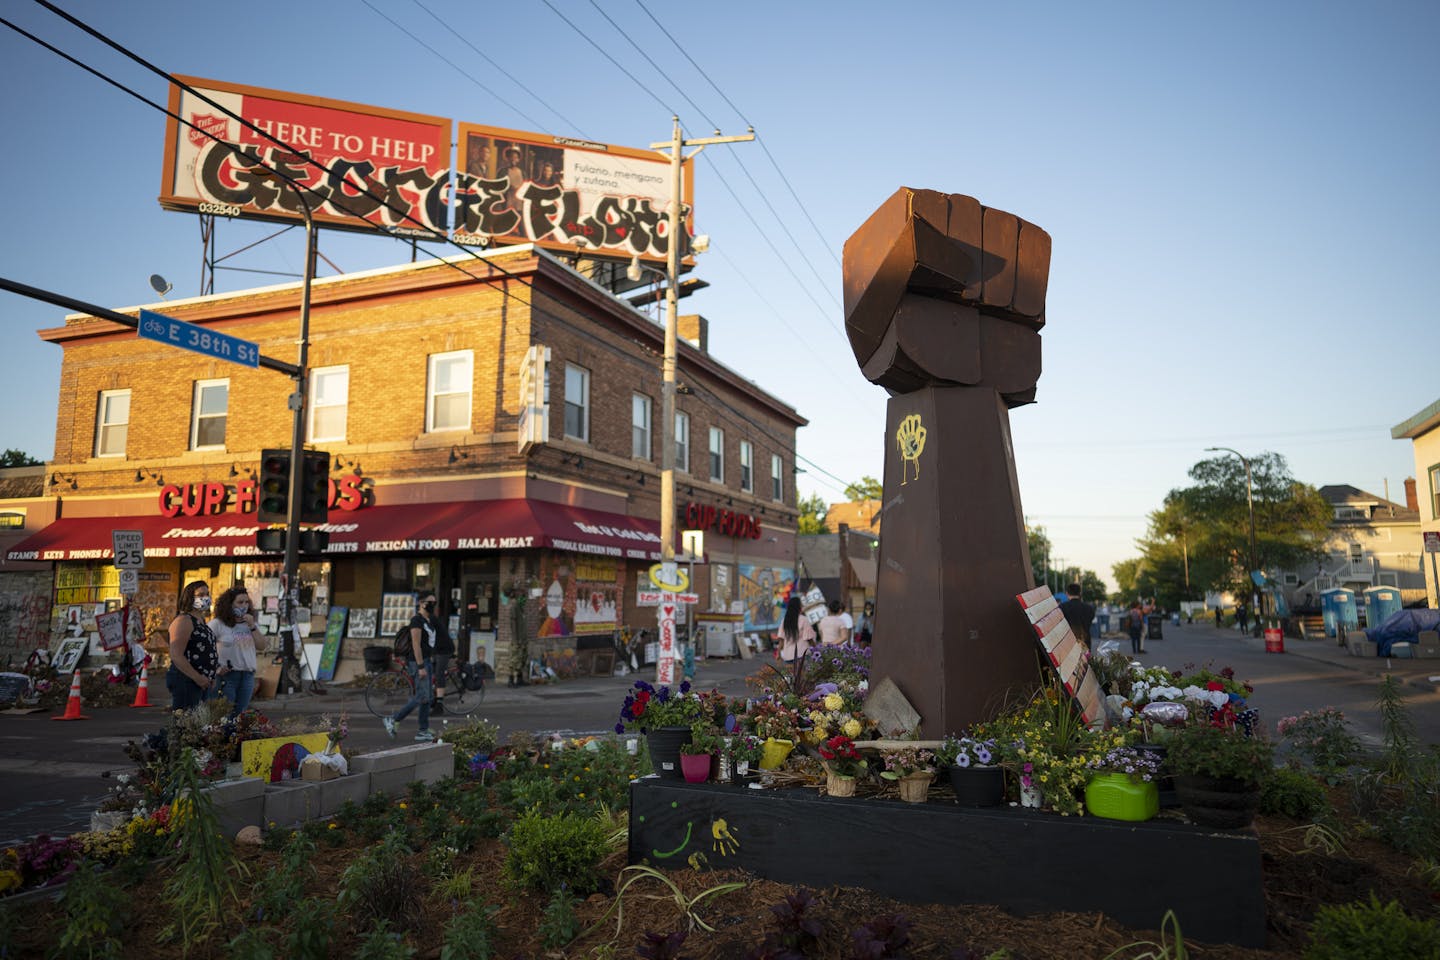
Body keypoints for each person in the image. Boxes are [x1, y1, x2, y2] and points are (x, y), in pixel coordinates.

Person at [384, 594, 438, 742]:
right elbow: (416, 644)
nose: (433, 604)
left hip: (427, 661)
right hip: (417, 662)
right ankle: (394, 719)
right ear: (421, 603)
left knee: (427, 697)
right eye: (430, 602)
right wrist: (421, 666)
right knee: (422, 696)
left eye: (434, 602)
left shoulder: (429, 621)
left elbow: (429, 644)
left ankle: (423, 730)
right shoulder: (416, 621)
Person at [166, 580, 218, 710]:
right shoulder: (184, 621)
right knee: (185, 722)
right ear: (190, 598)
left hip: (202, 681)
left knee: (197, 723)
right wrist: (197, 677)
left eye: (207, 594)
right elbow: (176, 655)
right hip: (186, 679)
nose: (205, 598)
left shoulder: (201, 621)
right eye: (200, 595)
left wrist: (209, 676)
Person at [209, 586, 260, 717]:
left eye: (247, 602)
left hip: (247, 676)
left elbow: (262, 645)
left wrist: (253, 627)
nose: (244, 606)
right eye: (240, 602)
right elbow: (204, 647)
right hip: (227, 676)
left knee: (240, 716)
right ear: (230, 604)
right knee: (224, 715)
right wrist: (216, 668)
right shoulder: (218, 624)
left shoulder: (250, 624)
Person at [430, 599, 455, 715]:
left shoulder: (431, 619)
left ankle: (439, 705)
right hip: (437, 649)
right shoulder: (427, 619)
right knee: (433, 673)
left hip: (444, 649)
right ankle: (434, 699)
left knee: (439, 673)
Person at [772, 596, 815, 663]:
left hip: (788, 656)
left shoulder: (784, 620)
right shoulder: (803, 619)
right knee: (804, 673)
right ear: (798, 606)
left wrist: (778, 653)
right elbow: (809, 638)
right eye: (801, 604)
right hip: (802, 655)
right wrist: (816, 649)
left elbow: (781, 639)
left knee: (792, 673)